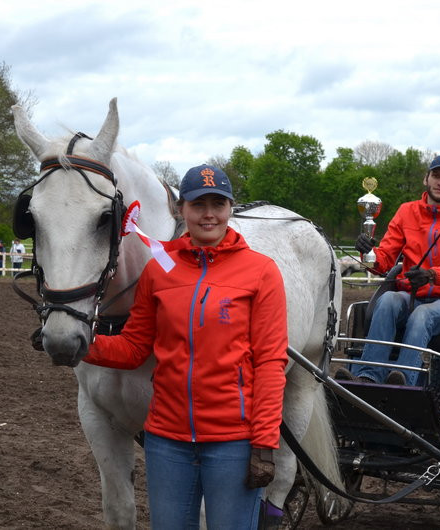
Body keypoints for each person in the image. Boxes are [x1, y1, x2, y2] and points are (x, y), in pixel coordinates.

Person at [82, 164, 288, 529]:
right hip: (167, 443)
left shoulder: (261, 271)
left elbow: (271, 362)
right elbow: (133, 348)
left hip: (233, 443)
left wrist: (264, 443)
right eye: (198, 204)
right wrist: (85, 345)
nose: (208, 214)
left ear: (230, 209)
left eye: (218, 204)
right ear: (181, 210)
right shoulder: (158, 271)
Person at [347, 154, 440, 386]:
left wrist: (433, 275)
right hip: (409, 295)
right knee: (388, 299)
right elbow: (385, 259)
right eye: (436, 176)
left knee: (423, 315)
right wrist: (367, 252)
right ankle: (368, 376)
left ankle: (403, 381)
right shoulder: (407, 211)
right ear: (426, 179)